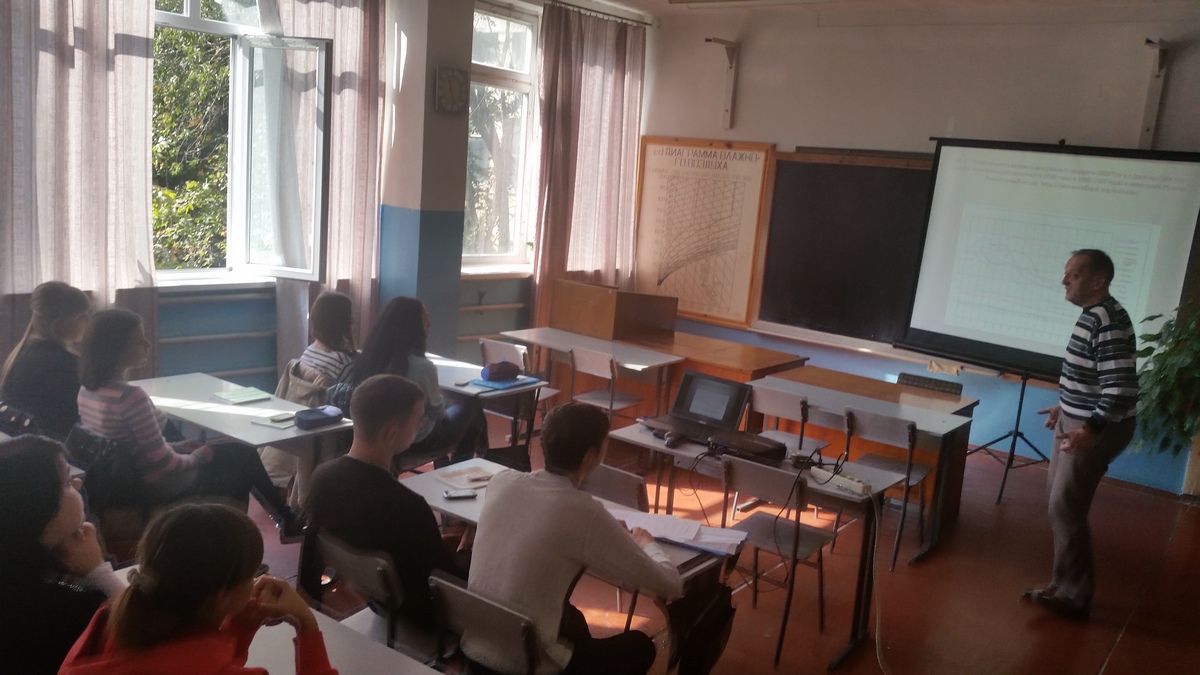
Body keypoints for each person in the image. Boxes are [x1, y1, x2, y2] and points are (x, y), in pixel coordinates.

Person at [468, 403, 682, 675]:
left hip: (475, 650)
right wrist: (647, 544)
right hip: (525, 665)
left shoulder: (502, 481)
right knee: (640, 646)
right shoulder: (585, 513)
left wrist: (603, 529)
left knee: (575, 621)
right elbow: (670, 584)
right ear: (590, 457)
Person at [76, 309, 304, 541]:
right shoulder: (131, 397)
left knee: (240, 452)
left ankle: (283, 520)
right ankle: (251, 534)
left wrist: (178, 446)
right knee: (240, 465)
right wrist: (197, 457)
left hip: (126, 481)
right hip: (155, 484)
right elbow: (164, 464)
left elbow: (131, 446)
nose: (148, 345)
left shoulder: (87, 391)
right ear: (117, 349)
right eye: (139, 341)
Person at [60, 503, 337, 674]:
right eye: (252, 573)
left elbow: (190, 662)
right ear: (223, 597)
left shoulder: (106, 628)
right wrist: (307, 625)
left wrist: (239, 628)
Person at [302, 374, 467, 627]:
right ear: (391, 435)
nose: (421, 426)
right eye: (418, 421)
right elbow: (446, 583)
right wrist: (468, 554)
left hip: (381, 600)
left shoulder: (322, 478)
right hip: (423, 618)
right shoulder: (408, 507)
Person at [1027, 249, 1139, 621]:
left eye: (1073, 275)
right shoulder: (1093, 315)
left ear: (1098, 281)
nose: (1064, 281)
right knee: (1057, 501)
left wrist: (1089, 429)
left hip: (1097, 427)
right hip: (1074, 419)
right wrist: (1064, 407)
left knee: (1065, 505)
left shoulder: (1106, 320)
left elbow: (1120, 387)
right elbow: (1091, 377)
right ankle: (1061, 585)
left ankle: (1074, 596)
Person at [0, 436, 128, 674]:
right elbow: (143, 637)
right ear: (40, 507)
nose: (78, 483)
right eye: (68, 482)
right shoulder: (65, 610)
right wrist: (98, 571)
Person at [347, 296, 485, 467]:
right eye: (425, 318)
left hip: (376, 436)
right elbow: (439, 413)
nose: (430, 324)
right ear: (411, 326)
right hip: (417, 440)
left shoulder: (368, 358)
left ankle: (453, 463)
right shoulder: (423, 367)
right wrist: (445, 401)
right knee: (472, 402)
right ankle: (460, 467)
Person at [1, 281, 92, 439]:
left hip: (21, 445)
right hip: (53, 448)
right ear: (58, 324)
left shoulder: (22, 354)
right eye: (80, 316)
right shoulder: (66, 364)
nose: (88, 320)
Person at [299, 291, 357, 384]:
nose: (353, 320)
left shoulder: (309, 351)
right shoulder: (343, 363)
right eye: (349, 316)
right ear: (340, 322)